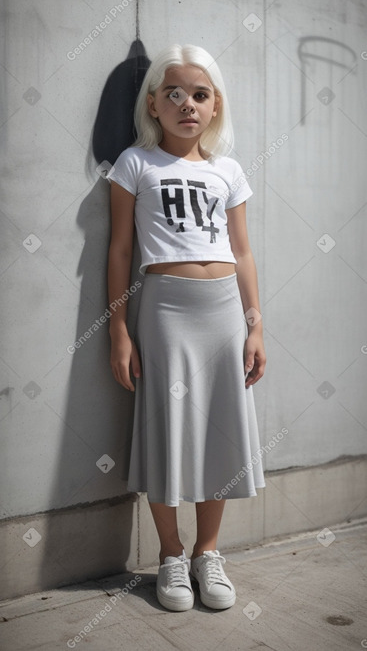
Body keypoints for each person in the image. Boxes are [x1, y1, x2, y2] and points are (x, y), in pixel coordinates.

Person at [106, 44, 266, 612]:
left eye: (199, 95)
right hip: (166, 310)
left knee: (220, 429)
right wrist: (119, 330)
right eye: (174, 94)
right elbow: (120, 249)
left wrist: (254, 326)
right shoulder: (135, 164)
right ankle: (170, 556)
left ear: (215, 104)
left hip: (224, 311)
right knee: (168, 429)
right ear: (153, 103)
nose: (187, 104)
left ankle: (208, 553)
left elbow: (242, 252)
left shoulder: (228, 170)